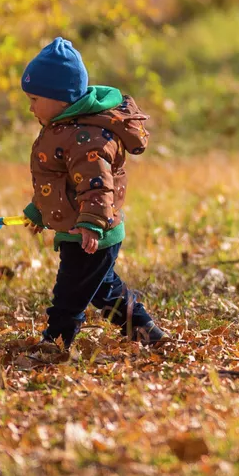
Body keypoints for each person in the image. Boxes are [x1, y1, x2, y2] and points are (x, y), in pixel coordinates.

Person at [19, 36, 167, 354]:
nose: (30, 107)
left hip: (91, 233)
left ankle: (55, 342)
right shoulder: (65, 127)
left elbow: (96, 185)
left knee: (69, 295)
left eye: (34, 99)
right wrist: (38, 211)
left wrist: (91, 223)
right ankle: (146, 331)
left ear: (60, 98)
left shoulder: (86, 138)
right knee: (105, 290)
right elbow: (59, 182)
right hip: (84, 230)